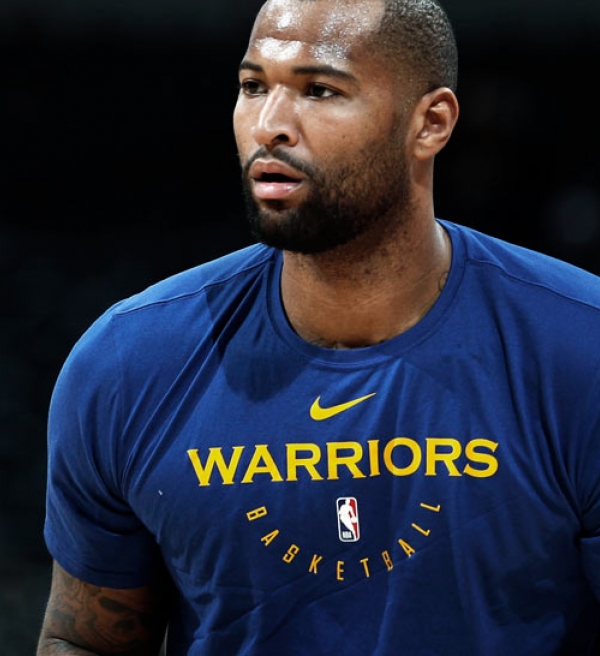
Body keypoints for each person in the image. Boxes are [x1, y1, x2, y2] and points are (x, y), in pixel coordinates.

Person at [36, 0, 600, 653]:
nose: (269, 125)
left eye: (320, 91)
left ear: (431, 123)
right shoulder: (126, 365)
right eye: (253, 86)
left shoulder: (580, 349)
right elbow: (86, 641)